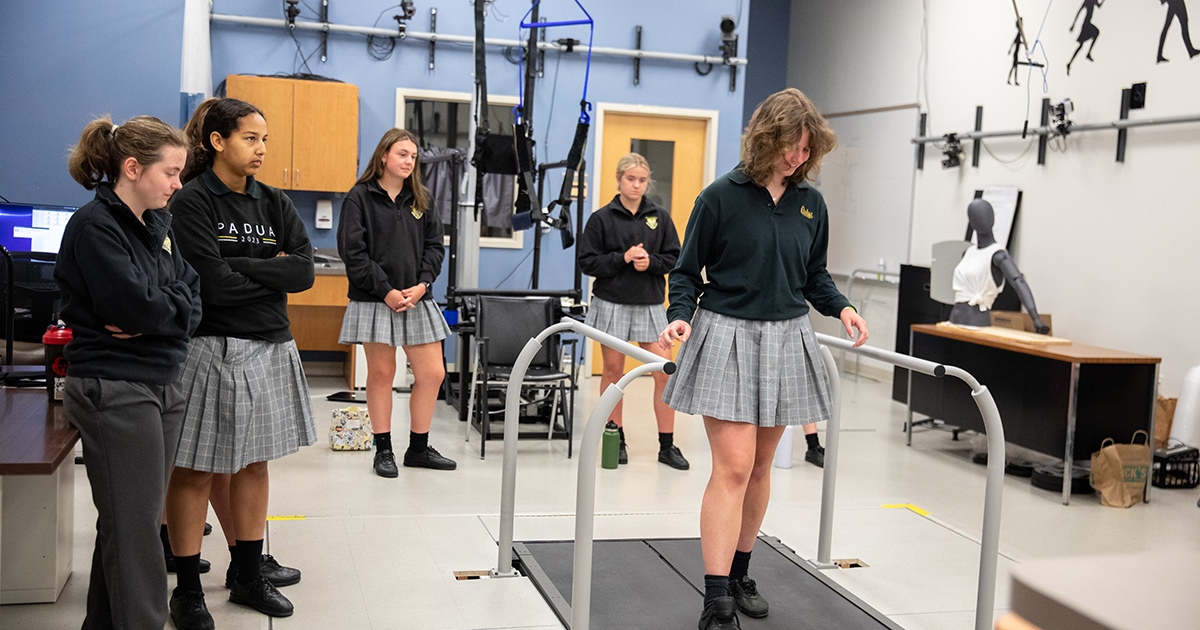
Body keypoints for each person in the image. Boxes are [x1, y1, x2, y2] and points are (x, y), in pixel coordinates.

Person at [658, 88, 869, 630]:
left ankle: (739, 573)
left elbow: (814, 276)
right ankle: (715, 598)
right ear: (764, 139)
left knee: (757, 469)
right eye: (789, 148)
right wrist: (680, 313)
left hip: (787, 337)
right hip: (726, 335)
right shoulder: (719, 197)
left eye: (806, 151)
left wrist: (842, 308)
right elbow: (685, 272)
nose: (797, 159)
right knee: (730, 468)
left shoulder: (809, 204)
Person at [164, 97, 317, 629]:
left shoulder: (273, 201)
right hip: (211, 348)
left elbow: (303, 271)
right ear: (217, 141)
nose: (261, 149)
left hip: (271, 344)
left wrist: (243, 268)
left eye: (264, 139)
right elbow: (210, 283)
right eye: (251, 138)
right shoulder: (192, 203)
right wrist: (265, 272)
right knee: (195, 468)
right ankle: (186, 589)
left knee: (254, 463)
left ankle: (247, 575)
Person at [56, 114, 202, 629]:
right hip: (114, 386)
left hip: (163, 381)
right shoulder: (95, 227)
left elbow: (191, 295)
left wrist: (162, 312)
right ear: (134, 168)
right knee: (138, 531)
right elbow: (135, 307)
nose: (178, 184)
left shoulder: (158, 226)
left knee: (127, 524)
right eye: (171, 172)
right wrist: (164, 309)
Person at [337, 128, 456, 477]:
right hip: (376, 298)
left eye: (413, 156)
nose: (409, 161)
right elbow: (353, 254)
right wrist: (386, 290)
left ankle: (418, 448)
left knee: (432, 373)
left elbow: (436, 247)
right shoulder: (359, 198)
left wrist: (423, 284)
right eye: (402, 154)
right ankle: (383, 449)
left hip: (417, 297)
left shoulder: (422, 198)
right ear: (384, 155)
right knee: (382, 374)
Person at [578, 152, 689, 470]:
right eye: (631, 179)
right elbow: (587, 262)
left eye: (642, 180)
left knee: (664, 373)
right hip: (611, 303)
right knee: (613, 374)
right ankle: (616, 438)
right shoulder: (601, 218)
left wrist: (650, 263)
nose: (637, 185)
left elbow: (674, 258)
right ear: (618, 179)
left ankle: (667, 446)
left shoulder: (660, 216)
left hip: (651, 304)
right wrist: (621, 258)